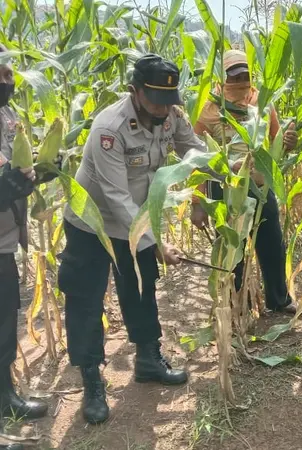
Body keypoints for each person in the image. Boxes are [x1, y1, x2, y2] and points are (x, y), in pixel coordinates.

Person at [58, 54, 208, 425]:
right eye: (155, 99)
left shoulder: (170, 113)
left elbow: (194, 152)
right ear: (134, 91)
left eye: (169, 99)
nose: (163, 108)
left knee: (141, 290)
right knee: (86, 300)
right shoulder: (108, 128)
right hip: (91, 224)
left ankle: (147, 358)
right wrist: (156, 243)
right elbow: (115, 197)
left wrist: (230, 167)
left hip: (136, 220)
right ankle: (92, 379)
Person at [194, 49, 298, 314]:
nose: (241, 78)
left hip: (259, 185)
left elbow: (277, 144)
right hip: (225, 187)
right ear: (223, 76)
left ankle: (279, 299)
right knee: (232, 247)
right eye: (235, 74)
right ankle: (237, 303)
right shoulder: (208, 109)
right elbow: (196, 158)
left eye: (245, 73)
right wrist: (197, 201)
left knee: (272, 244)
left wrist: (288, 143)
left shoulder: (262, 102)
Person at [0, 44, 47, 450]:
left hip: (2, 241)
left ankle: (5, 399)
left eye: (7, 71)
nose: (6, 81)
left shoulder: (7, 115)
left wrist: (38, 173)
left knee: (2, 325)